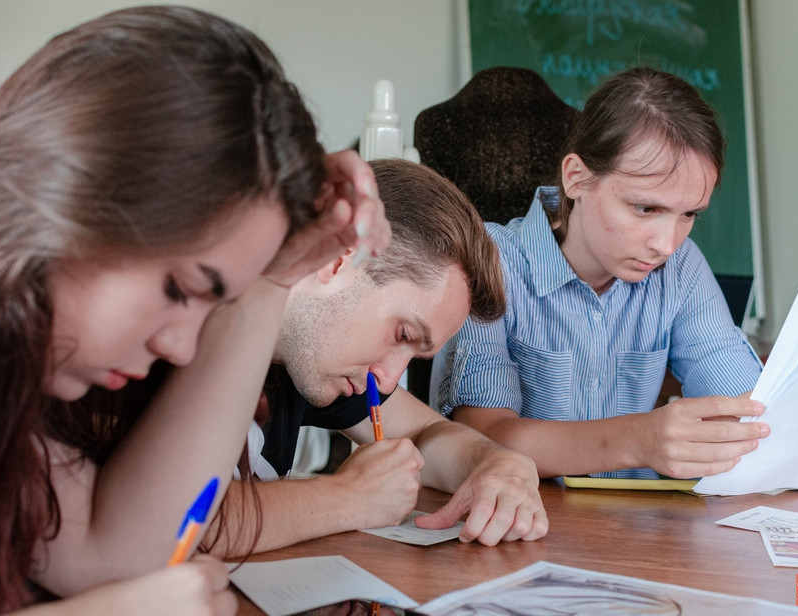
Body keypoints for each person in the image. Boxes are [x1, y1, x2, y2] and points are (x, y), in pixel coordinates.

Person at [0, 6, 389, 615]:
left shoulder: (2, 349)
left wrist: (272, 278)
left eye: (215, 302)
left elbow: (111, 554)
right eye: (179, 288)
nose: (183, 348)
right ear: (79, 191)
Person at [431, 67, 770, 480]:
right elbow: (481, 437)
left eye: (689, 215)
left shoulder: (680, 266)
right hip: (526, 512)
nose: (667, 244)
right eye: (645, 208)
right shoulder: (489, 260)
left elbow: (750, 413)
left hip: (639, 518)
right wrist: (638, 438)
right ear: (576, 178)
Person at [210, 158, 548, 556]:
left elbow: (426, 434)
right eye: (402, 334)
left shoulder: (307, 360)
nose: (388, 379)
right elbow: (178, 522)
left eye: (413, 356)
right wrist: (350, 496)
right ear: (338, 258)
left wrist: (501, 464)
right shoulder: (186, 332)